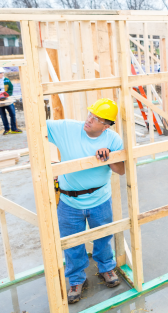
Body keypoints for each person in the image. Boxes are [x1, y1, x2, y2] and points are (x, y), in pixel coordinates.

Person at [48, 98, 125, 304]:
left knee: (102, 236)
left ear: (106, 125)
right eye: (90, 114)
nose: (89, 120)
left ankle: (106, 268)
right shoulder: (67, 128)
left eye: (96, 118)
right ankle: (75, 279)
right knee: (71, 243)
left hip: (99, 198)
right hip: (69, 200)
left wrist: (109, 158)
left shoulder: (113, 139)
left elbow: (121, 170)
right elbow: (37, 126)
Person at [0, 67, 22, 135]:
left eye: (3, 73)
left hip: (7, 100)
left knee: (12, 114)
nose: (2, 74)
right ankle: (7, 129)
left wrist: (6, 95)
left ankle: (14, 129)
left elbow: (11, 89)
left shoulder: (7, 80)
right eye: (1, 73)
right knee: (3, 115)